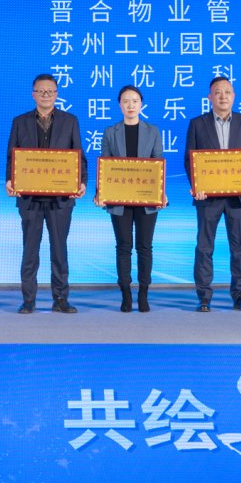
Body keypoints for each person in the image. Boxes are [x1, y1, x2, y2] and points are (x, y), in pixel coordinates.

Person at [6, 74, 85, 314]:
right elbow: (12, 156)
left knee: (59, 251)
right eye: (41, 91)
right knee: (30, 251)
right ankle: (28, 300)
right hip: (30, 199)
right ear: (33, 95)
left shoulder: (70, 121)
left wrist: (81, 182)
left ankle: (60, 299)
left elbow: (78, 156)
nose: (46, 95)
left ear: (57, 94)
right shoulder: (20, 122)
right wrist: (10, 180)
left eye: (50, 91)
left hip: (60, 199)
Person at [184, 75, 241, 312]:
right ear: (210, 97)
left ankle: (240, 295)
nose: (222, 96)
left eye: (227, 92)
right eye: (217, 92)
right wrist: (197, 185)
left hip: (238, 198)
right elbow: (189, 160)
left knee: (240, 248)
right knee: (204, 248)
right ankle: (204, 296)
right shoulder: (197, 124)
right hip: (208, 198)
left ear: (234, 96)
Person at [96, 85, 164, 313]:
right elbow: (105, 165)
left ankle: (143, 294)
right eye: (126, 101)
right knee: (124, 247)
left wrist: (161, 192)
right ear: (120, 105)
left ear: (141, 104)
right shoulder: (110, 132)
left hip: (147, 200)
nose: (131, 105)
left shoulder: (153, 131)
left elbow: (158, 163)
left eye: (135, 101)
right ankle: (125, 294)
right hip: (119, 199)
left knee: (145, 247)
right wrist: (100, 193)